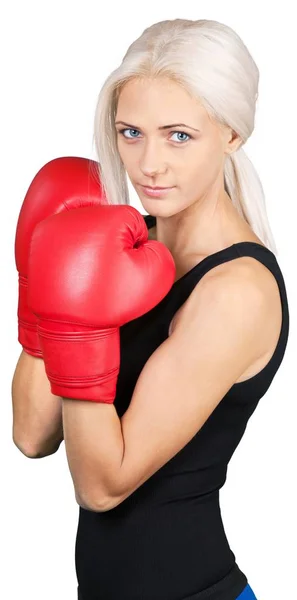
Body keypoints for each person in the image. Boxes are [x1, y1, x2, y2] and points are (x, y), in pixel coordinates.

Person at [12, 18, 290, 600]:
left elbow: (104, 485)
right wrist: (44, 295)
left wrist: (80, 322)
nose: (148, 164)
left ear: (232, 134)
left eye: (179, 135)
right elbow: (32, 436)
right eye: (130, 132)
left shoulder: (236, 289)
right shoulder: (115, 247)